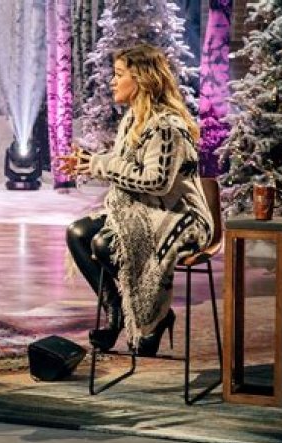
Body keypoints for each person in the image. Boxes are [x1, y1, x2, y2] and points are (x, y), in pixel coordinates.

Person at [62, 44, 213, 356]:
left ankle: (152, 318)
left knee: (106, 243)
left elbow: (156, 182)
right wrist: (91, 162)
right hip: (146, 209)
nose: (112, 81)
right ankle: (116, 311)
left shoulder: (167, 126)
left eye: (119, 74)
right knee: (78, 233)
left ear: (142, 79)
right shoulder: (134, 118)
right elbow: (128, 165)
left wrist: (102, 165)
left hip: (180, 215)